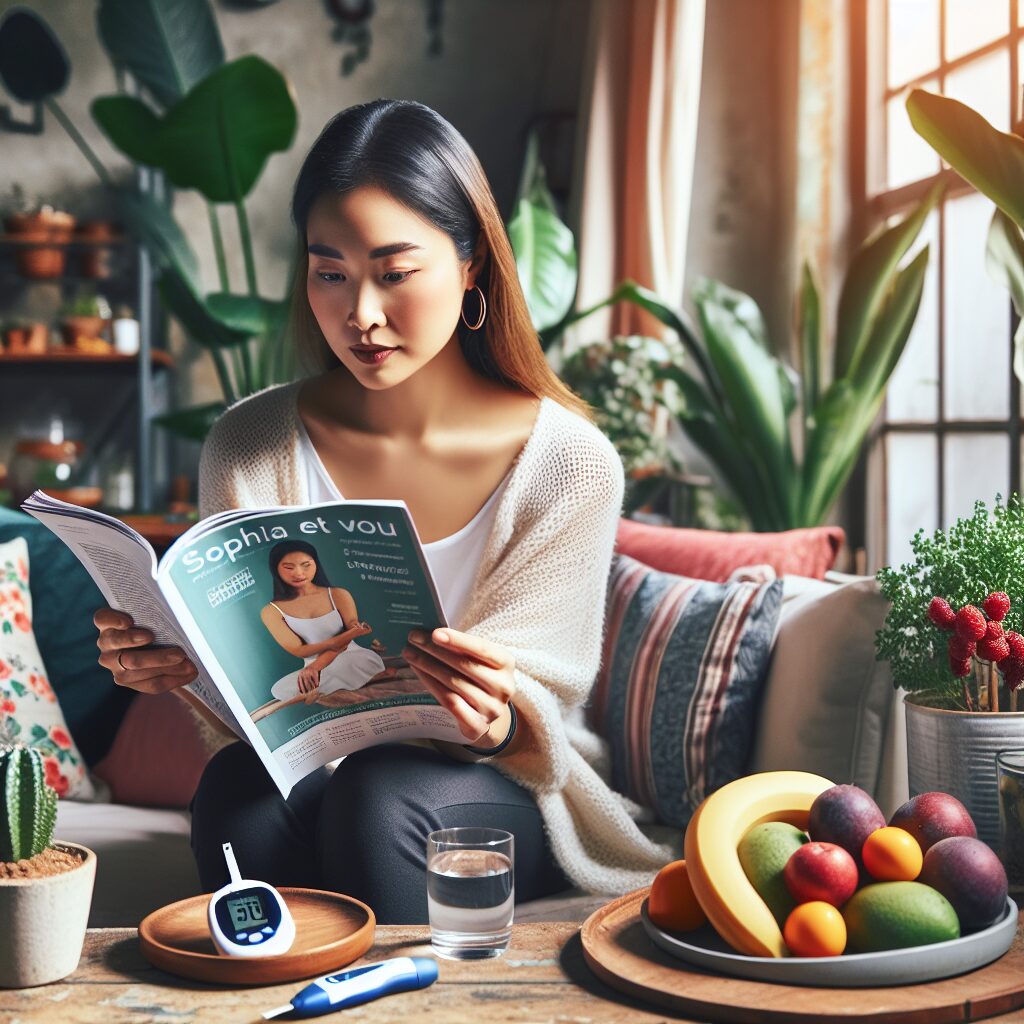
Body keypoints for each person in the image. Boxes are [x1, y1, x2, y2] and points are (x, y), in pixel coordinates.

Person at [93, 98, 672, 924]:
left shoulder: (568, 462)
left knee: (380, 794)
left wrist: (497, 718)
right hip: (318, 768)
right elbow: (256, 712)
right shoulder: (250, 444)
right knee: (237, 791)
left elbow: (536, 720)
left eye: (395, 273)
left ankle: (411, 995)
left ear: (471, 264)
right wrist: (176, 670)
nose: (360, 314)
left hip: (501, 784)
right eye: (330, 273)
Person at [260, 541, 391, 701]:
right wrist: (319, 660)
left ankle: (326, 688)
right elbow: (300, 650)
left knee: (344, 664)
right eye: (289, 567)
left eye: (306, 565)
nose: (299, 573)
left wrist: (319, 664)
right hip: (311, 668)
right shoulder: (271, 611)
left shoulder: (338, 594)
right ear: (276, 569)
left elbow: (347, 637)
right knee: (279, 689)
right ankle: (357, 681)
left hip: (350, 656)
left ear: (316, 564)